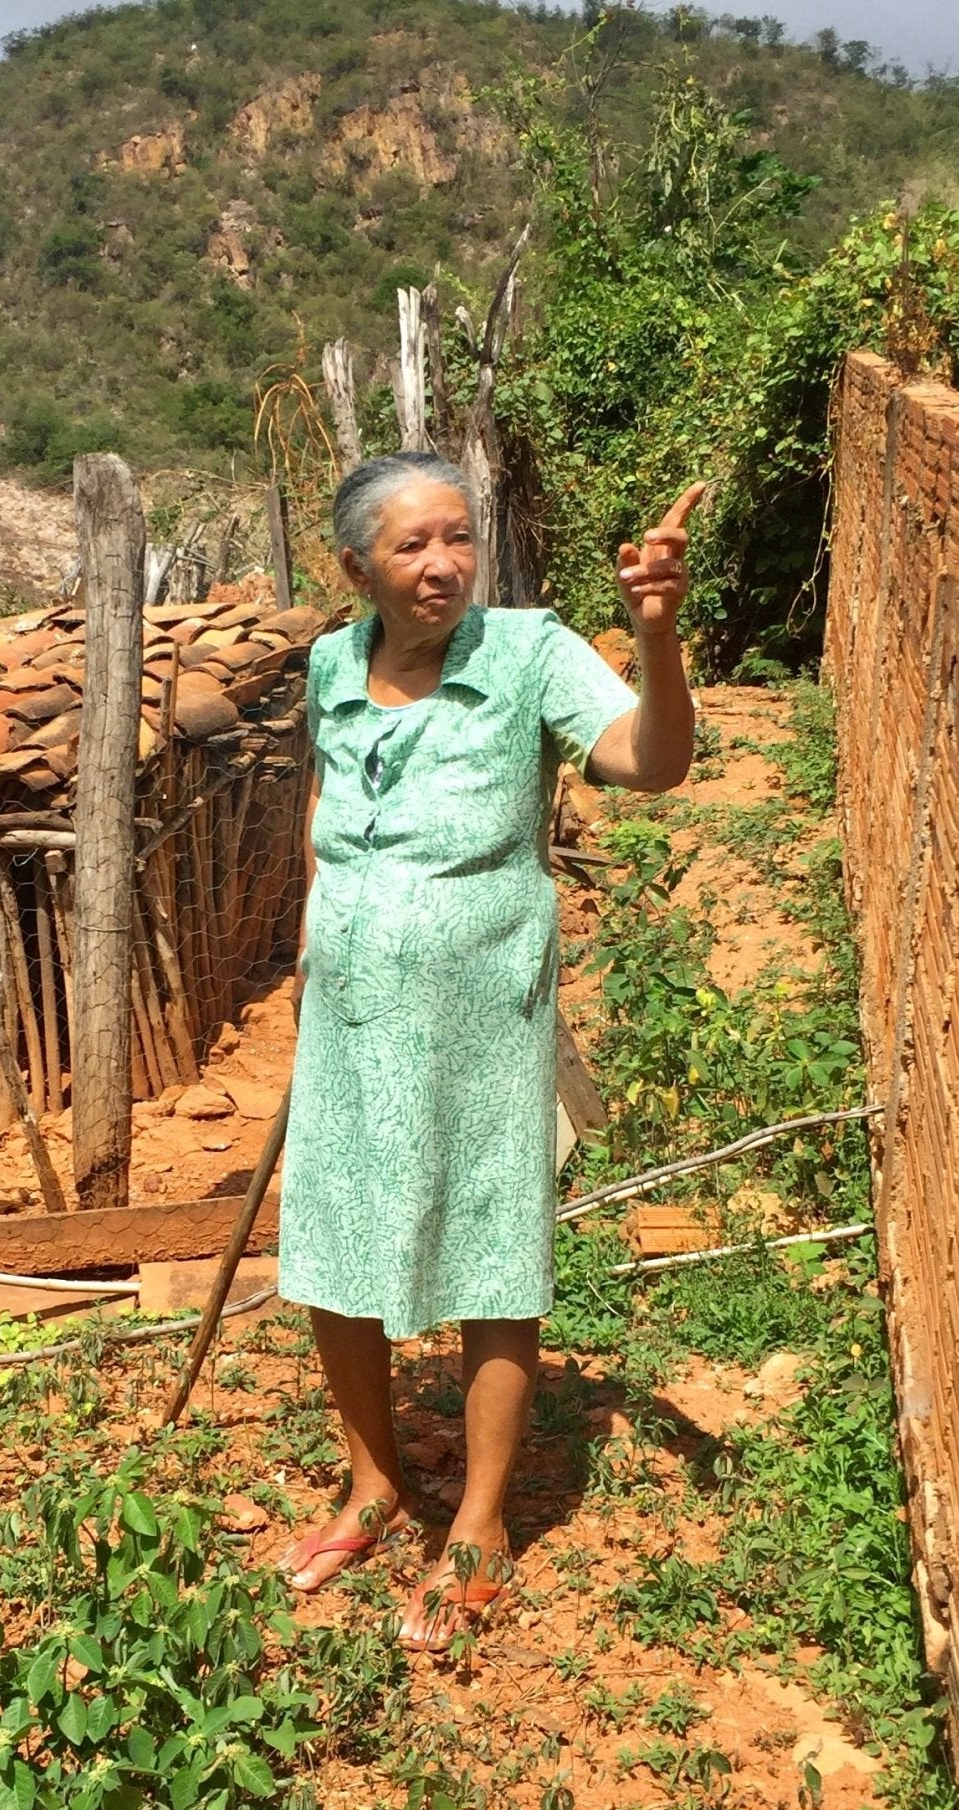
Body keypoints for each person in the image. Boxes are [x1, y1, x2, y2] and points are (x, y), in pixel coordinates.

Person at [276, 450, 704, 1652]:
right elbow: (327, 809)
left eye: (457, 537)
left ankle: (477, 1518)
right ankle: (370, 1485)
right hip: (351, 1004)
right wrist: (323, 937)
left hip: (479, 1007)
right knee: (330, 1231)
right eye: (411, 545)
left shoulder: (524, 652)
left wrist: (654, 638)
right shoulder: (329, 663)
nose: (443, 564)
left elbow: (649, 762)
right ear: (355, 566)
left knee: (487, 1237)